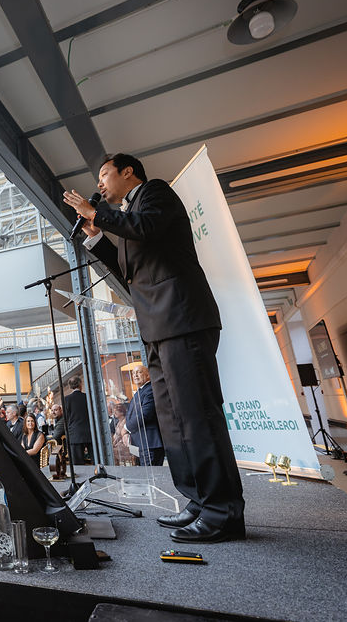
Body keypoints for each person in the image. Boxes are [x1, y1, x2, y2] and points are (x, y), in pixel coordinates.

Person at [64, 152, 244, 543]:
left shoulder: (154, 194)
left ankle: (223, 511)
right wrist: (96, 235)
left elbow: (143, 228)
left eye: (104, 174)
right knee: (174, 421)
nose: (99, 184)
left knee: (197, 416)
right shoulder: (128, 217)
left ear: (128, 172)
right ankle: (198, 500)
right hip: (157, 327)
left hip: (182, 319)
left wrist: (97, 214)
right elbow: (128, 272)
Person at [126, 365, 165, 467]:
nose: (135, 375)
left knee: (152, 474)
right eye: (133, 373)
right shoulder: (139, 392)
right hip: (141, 444)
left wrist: (126, 428)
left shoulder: (150, 390)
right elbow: (130, 414)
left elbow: (144, 415)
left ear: (148, 375)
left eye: (139, 372)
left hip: (150, 444)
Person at [62, 376, 92, 464]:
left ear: (70, 386)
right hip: (89, 432)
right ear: (80, 384)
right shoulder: (87, 397)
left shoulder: (67, 399)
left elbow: (66, 418)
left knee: (78, 464)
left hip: (75, 434)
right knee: (96, 460)